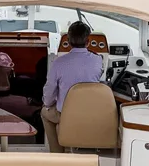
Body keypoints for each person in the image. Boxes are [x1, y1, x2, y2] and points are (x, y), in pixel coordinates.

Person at [41, 21, 103, 153]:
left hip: (65, 115)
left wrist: (47, 104)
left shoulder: (59, 63)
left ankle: (57, 153)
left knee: (44, 113)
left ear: (68, 41)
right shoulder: (98, 60)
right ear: (88, 41)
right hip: (91, 114)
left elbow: (49, 91)